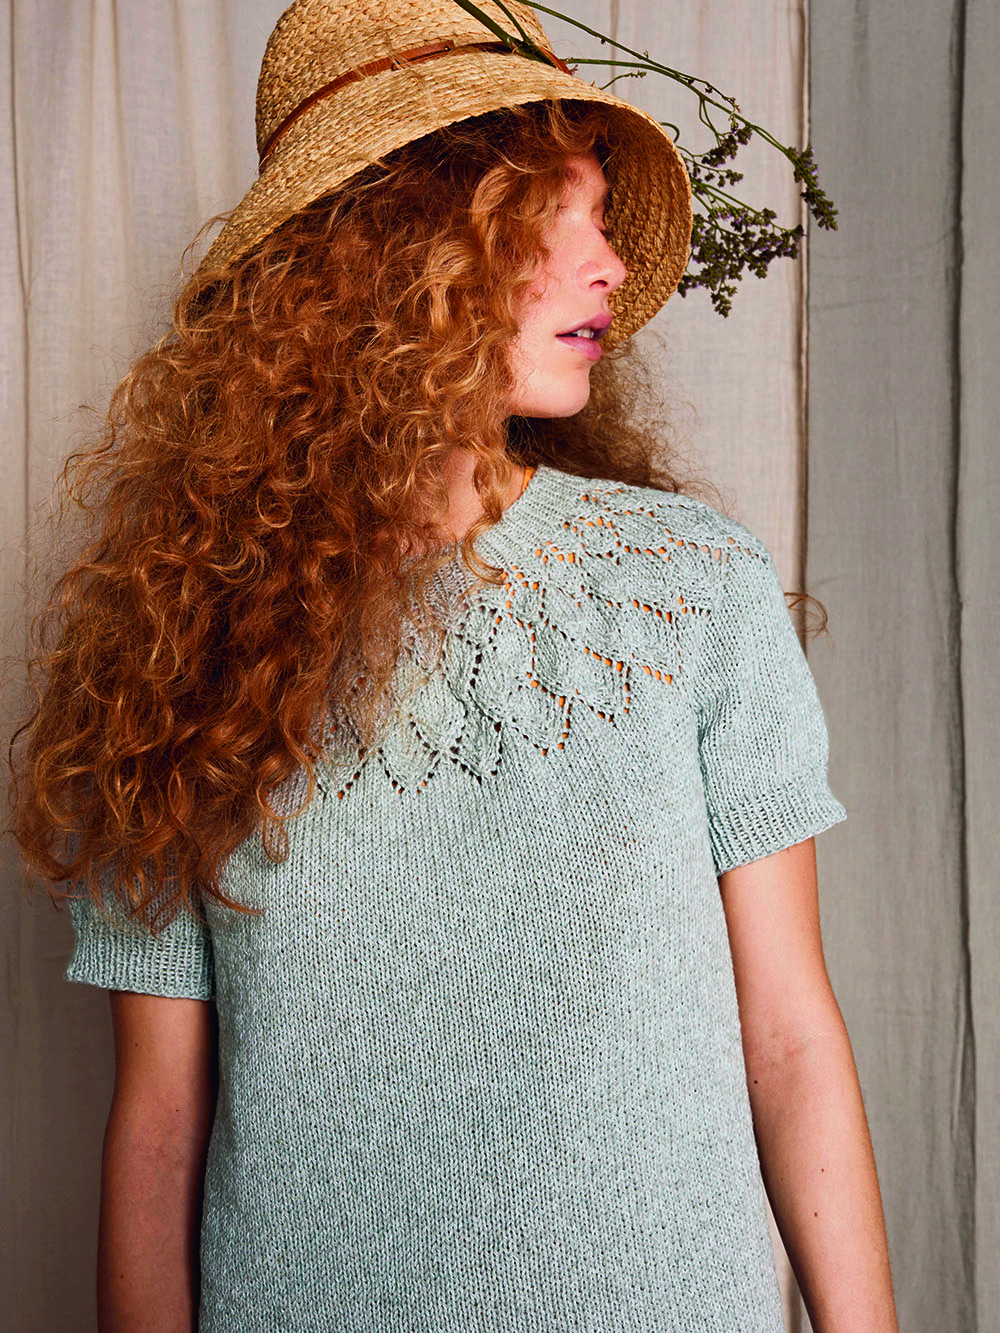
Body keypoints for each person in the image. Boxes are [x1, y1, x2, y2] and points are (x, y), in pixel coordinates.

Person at [9, 1, 899, 1329]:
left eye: (607, 220)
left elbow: (790, 1036)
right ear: (400, 255)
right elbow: (157, 1130)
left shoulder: (689, 585)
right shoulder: (182, 647)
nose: (611, 268)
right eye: (558, 220)